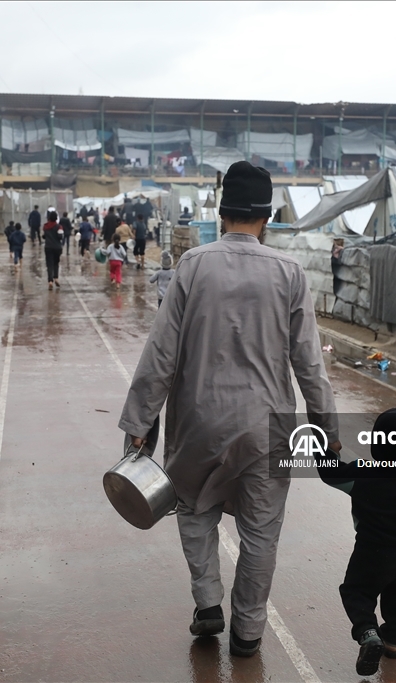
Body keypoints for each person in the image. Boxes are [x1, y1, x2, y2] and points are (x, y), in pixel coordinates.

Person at [118, 161, 338, 657]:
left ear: (222, 213)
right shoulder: (290, 273)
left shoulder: (192, 266)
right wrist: (327, 427)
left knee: (193, 506)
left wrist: (141, 422)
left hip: (199, 420)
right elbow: (309, 364)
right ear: (268, 216)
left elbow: (161, 353)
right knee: (262, 528)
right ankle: (249, 631)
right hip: (268, 427)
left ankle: (207, 601)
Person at [312, 408, 396, 677]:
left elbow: (330, 474)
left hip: (370, 550)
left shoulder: (363, 474)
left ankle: (368, 633)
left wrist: (327, 448)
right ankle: (392, 642)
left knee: (356, 592)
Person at [43, 208, 65, 289]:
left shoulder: (45, 226)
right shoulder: (59, 227)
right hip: (57, 247)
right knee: (56, 263)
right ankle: (56, 278)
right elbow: (60, 237)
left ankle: (50, 281)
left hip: (48, 247)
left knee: (49, 265)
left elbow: (44, 236)